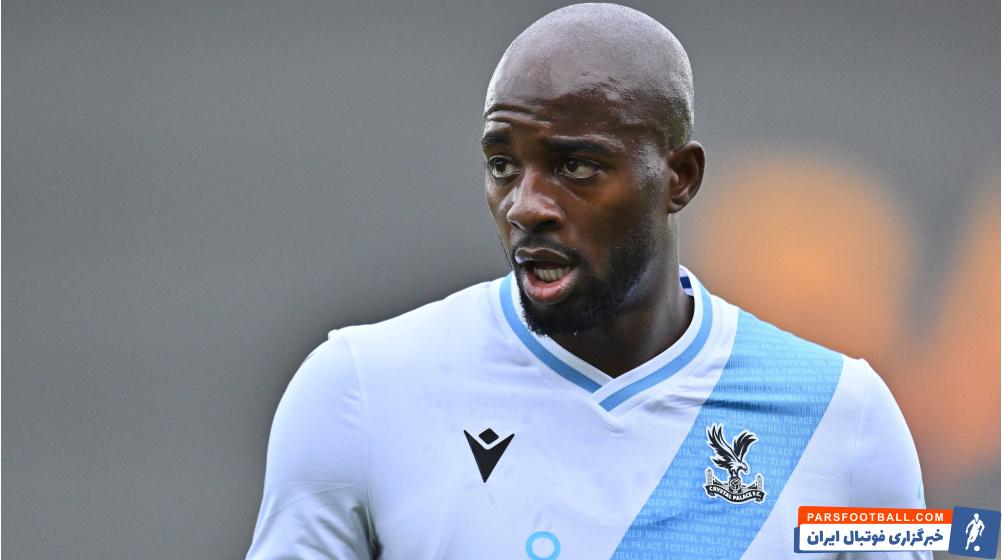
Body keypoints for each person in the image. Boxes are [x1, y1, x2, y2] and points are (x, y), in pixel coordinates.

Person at [246, 4, 927, 559]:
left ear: (680, 178)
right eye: (503, 165)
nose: (525, 206)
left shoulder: (842, 415)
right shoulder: (359, 387)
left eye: (576, 167)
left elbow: (952, 539)